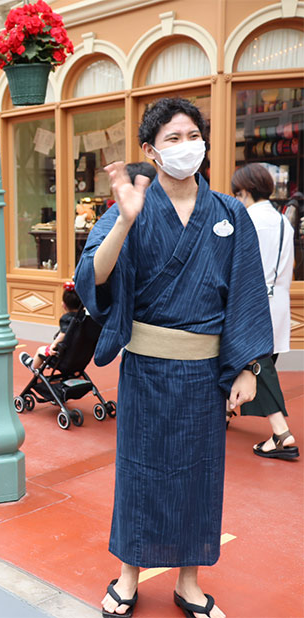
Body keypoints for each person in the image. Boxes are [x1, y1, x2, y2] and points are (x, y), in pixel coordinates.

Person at [74, 98, 273, 618]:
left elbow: (249, 295)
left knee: (199, 474)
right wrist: (124, 222)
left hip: (205, 373)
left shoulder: (230, 213)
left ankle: (189, 582)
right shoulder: (127, 208)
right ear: (150, 150)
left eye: (192, 136)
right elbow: (92, 278)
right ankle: (128, 576)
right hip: (147, 368)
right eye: (172, 139)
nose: (186, 147)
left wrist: (250, 368)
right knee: (139, 470)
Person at [232, 163, 298, 460]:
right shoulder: (284, 221)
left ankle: (281, 432)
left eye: (238, 193)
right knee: (261, 363)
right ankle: (226, 409)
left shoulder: (247, 219)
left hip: (253, 302)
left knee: (258, 367)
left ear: (245, 192)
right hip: (279, 302)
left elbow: (238, 267)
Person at [30, 281, 82, 370]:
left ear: (64, 305)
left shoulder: (67, 319)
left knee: (41, 350)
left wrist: (53, 345)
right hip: (80, 358)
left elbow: (64, 334)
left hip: (63, 359)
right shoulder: (84, 318)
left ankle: (34, 369)